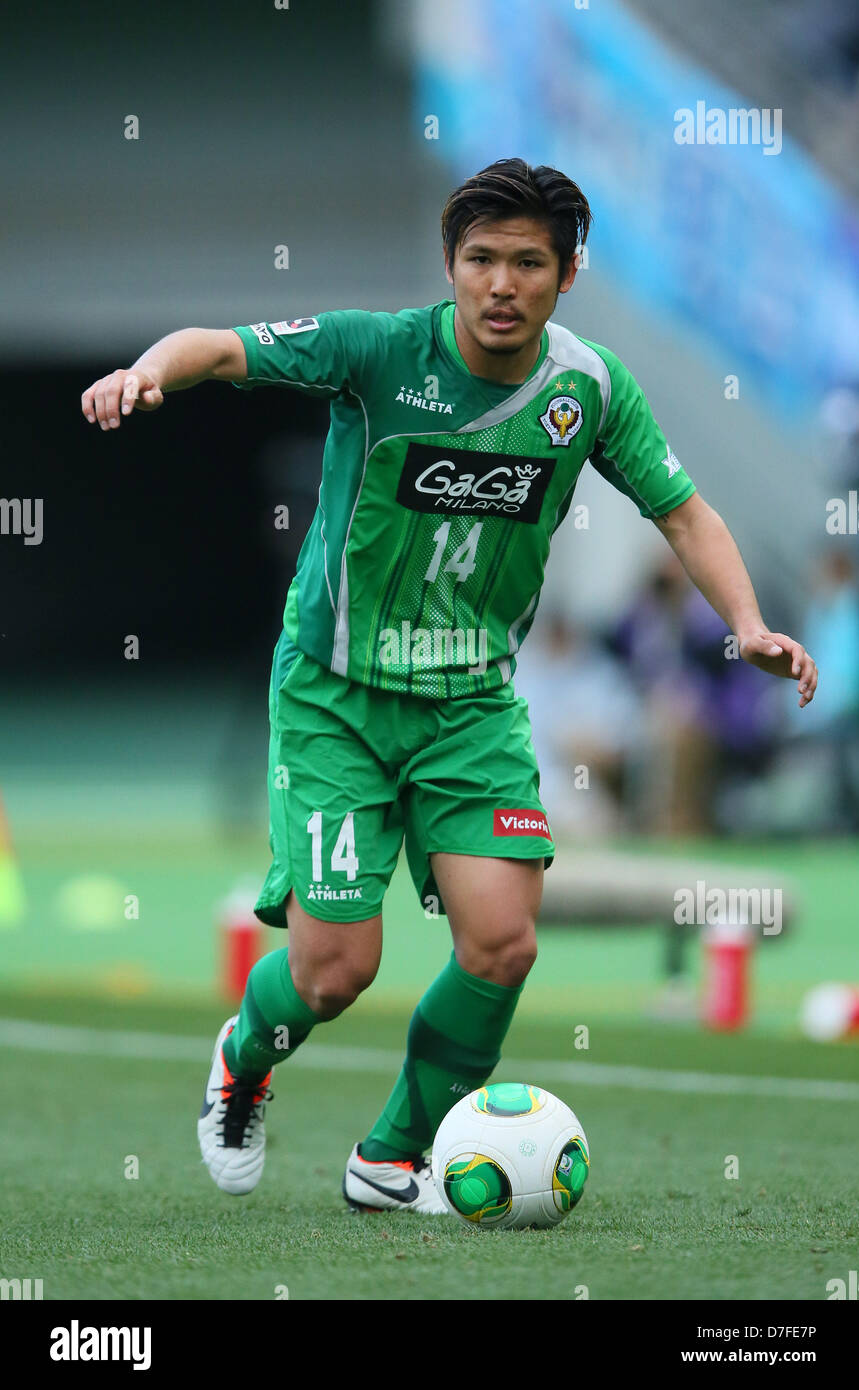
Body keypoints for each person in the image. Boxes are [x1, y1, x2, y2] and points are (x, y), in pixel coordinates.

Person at [80, 158, 818, 1212]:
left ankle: (393, 1154)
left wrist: (745, 625)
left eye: (527, 262)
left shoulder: (589, 389)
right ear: (449, 265)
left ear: (566, 275)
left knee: (502, 941)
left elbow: (683, 511)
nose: (500, 284)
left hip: (470, 704)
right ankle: (244, 1057)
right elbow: (221, 346)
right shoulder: (377, 350)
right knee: (336, 970)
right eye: (480, 260)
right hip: (335, 697)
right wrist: (150, 371)